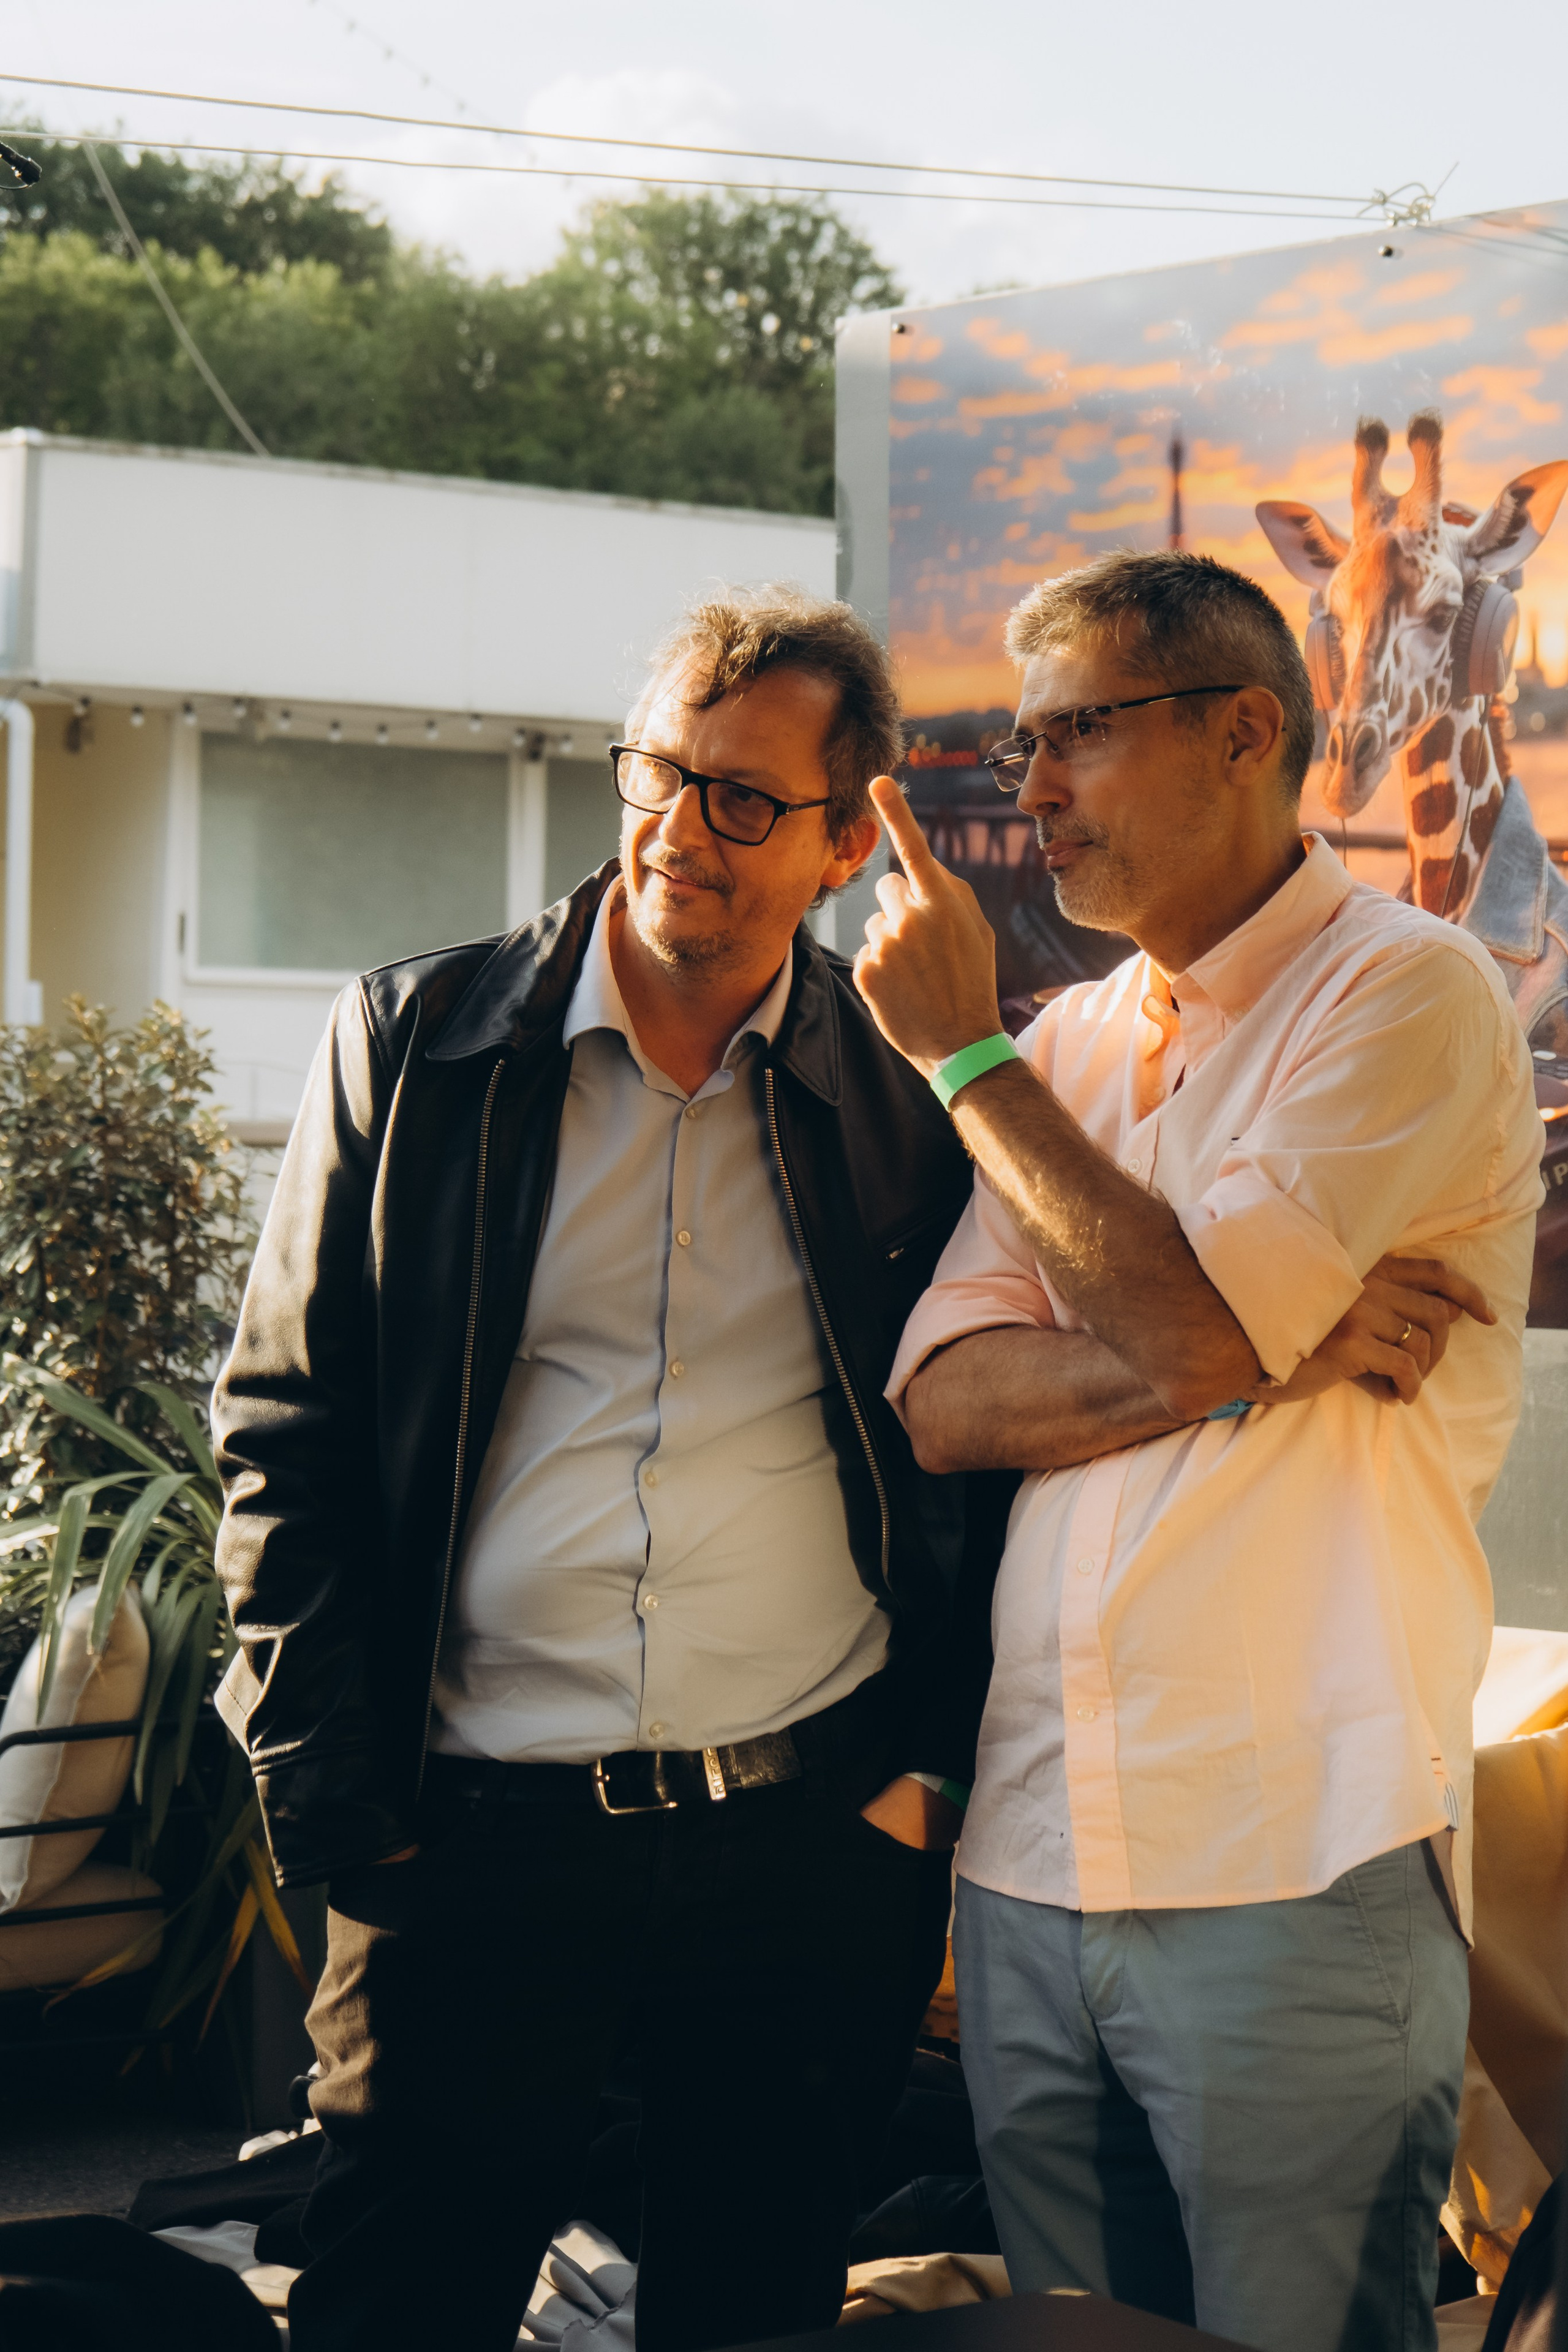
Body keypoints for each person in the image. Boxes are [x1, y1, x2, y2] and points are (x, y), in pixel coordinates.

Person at [211, 588, 992, 2352]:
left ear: (845, 839)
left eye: (741, 799)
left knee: (754, 2315)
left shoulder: (902, 1093)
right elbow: (284, 1430)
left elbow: (976, 1461)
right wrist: (342, 1801)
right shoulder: (415, 1049)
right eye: (659, 773)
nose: (678, 831)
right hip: (467, 1844)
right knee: (395, 2311)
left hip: (803, 1850)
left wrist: (920, 1782)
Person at [851, 549, 1543, 2352]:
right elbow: (940, 1406)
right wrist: (1273, 1361)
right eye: (1021, 749)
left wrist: (963, 1061)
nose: (1037, 791)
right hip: (1026, 1856)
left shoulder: (1414, 995)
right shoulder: (1070, 1042)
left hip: (1290, 1851)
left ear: (1247, 731)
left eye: (1075, 734)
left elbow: (1183, 1329)